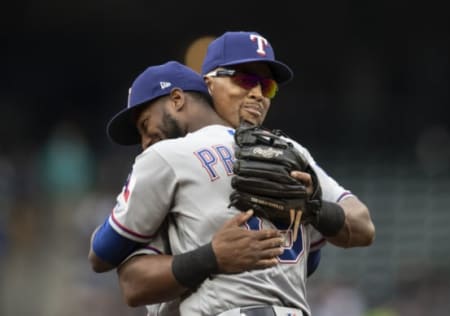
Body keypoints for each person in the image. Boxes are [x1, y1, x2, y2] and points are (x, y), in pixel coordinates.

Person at [91, 32, 375, 315]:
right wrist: (213, 256)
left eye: (268, 87)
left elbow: (107, 259)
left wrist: (313, 208)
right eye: (245, 80)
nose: (257, 94)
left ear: (180, 98)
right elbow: (311, 262)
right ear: (209, 84)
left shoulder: (169, 158)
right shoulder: (291, 153)